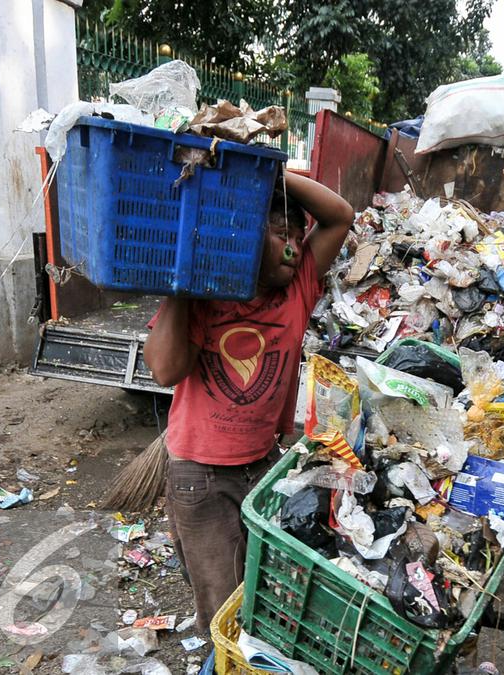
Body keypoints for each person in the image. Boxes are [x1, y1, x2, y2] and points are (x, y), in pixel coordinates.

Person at [143, 171, 355, 634]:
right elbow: (164, 371)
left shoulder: (298, 289)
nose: (294, 248)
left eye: (299, 237)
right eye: (281, 233)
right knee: (224, 607)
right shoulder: (205, 298)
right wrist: (183, 286)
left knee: (266, 590)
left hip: (261, 464)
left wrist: (269, 173)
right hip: (200, 474)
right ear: (242, 238)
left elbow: (340, 216)